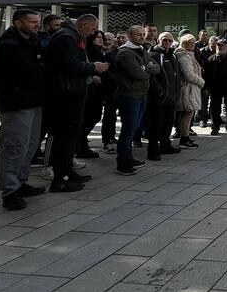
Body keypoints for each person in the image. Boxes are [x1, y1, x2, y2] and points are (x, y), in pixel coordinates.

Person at [43, 15, 108, 191]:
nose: (93, 33)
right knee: (64, 134)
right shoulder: (66, 37)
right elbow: (68, 64)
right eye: (92, 29)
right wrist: (93, 67)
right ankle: (60, 178)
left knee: (72, 133)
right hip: (66, 93)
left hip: (73, 91)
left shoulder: (73, 36)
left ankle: (66, 171)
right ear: (83, 24)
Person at [0, 10, 47, 210]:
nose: (36, 25)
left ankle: (20, 182)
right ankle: (9, 191)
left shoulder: (32, 42)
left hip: (34, 101)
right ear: (17, 23)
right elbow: (27, 73)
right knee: (14, 147)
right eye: (32, 22)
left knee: (30, 145)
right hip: (16, 104)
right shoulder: (8, 46)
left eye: (37, 22)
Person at [113, 25, 157, 175]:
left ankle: (129, 157)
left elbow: (156, 68)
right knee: (128, 130)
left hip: (141, 94)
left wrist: (145, 68)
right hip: (129, 95)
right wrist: (146, 69)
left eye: (143, 35)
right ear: (130, 36)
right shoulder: (125, 53)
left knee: (133, 129)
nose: (142, 37)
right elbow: (138, 73)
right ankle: (122, 162)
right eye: (138, 35)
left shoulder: (141, 50)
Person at [146, 32, 182, 160]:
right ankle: (153, 150)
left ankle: (165, 145)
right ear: (158, 40)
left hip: (172, 96)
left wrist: (177, 90)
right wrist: (159, 90)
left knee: (168, 123)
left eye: (170, 41)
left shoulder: (173, 55)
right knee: (156, 125)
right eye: (164, 40)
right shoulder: (153, 55)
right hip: (158, 97)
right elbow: (150, 76)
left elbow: (176, 74)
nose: (167, 43)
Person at [74, 30, 106, 160]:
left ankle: (81, 144)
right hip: (90, 90)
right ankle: (80, 145)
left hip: (98, 91)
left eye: (101, 37)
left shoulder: (99, 52)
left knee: (94, 116)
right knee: (89, 117)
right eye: (97, 37)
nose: (100, 40)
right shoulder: (88, 52)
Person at [175, 34, 204, 149]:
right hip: (187, 89)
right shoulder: (183, 55)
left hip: (190, 88)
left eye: (193, 42)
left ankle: (185, 137)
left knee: (189, 113)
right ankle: (184, 138)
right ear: (183, 43)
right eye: (189, 42)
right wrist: (201, 81)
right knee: (188, 113)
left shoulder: (188, 54)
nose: (192, 44)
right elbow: (188, 74)